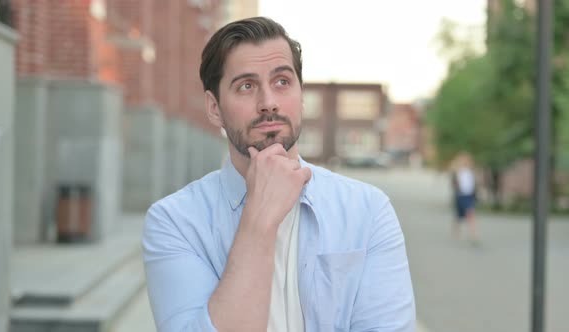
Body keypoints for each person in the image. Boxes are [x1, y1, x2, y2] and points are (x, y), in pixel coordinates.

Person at [142, 17, 415, 332]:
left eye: (282, 81)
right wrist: (259, 217)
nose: (268, 102)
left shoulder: (368, 210)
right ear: (214, 107)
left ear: (300, 95)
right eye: (246, 86)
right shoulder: (175, 221)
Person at [450, 153, 478, 242]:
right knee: (458, 217)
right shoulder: (458, 172)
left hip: (468, 196)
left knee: (471, 214)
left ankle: (473, 235)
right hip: (460, 196)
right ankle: (456, 233)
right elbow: (454, 184)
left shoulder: (471, 172)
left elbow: (473, 185)